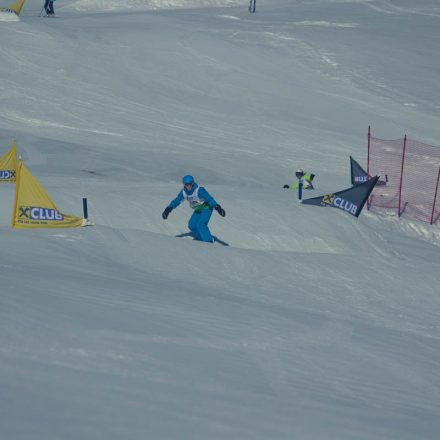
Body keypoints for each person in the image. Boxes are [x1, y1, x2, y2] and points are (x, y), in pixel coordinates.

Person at [162, 175, 226, 243]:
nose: (189, 186)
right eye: (187, 184)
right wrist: (168, 209)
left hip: (206, 208)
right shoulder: (184, 192)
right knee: (192, 225)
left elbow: (209, 199)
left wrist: (218, 208)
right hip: (198, 210)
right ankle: (201, 238)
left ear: (193, 183)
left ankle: (209, 241)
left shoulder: (199, 190)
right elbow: (177, 200)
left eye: (190, 184)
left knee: (201, 224)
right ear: (184, 184)